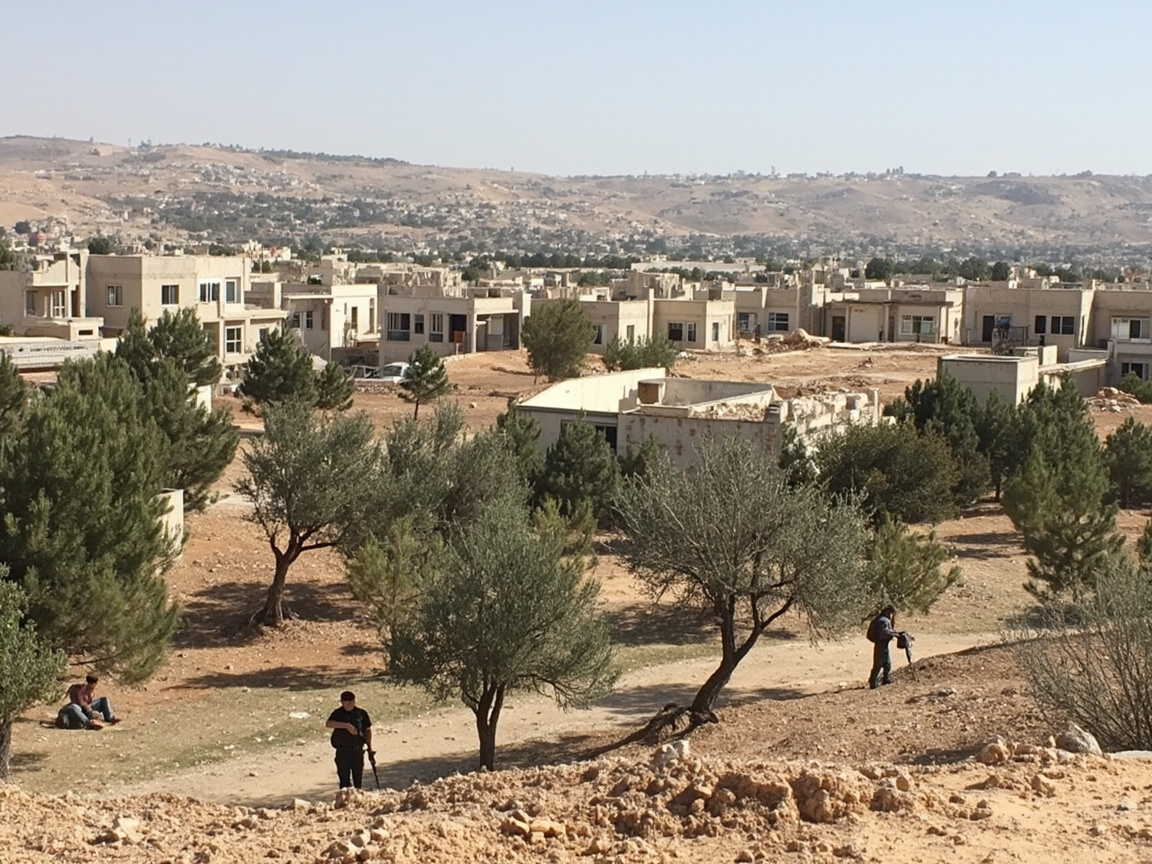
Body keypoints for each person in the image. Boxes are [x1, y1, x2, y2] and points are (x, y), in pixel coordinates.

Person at [325, 690, 374, 789]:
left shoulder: (361, 714)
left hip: (357, 751)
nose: (349, 705)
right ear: (342, 702)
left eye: (351, 702)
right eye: (346, 703)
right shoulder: (338, 713)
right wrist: (346, 726)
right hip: (342, 751)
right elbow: (328, 723)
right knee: (344, 782)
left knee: (358, 781)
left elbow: (367, 730)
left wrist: (370, 748)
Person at [867, 605, 904, 689]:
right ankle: (873, 682)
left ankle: (885, 679)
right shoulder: (883, 621)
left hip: (884, 644)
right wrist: (896, 635)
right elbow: (885, 632)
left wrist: (896, 634)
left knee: (887, 663)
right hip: (881, 644)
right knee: (878, 664)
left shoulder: (882, 619)